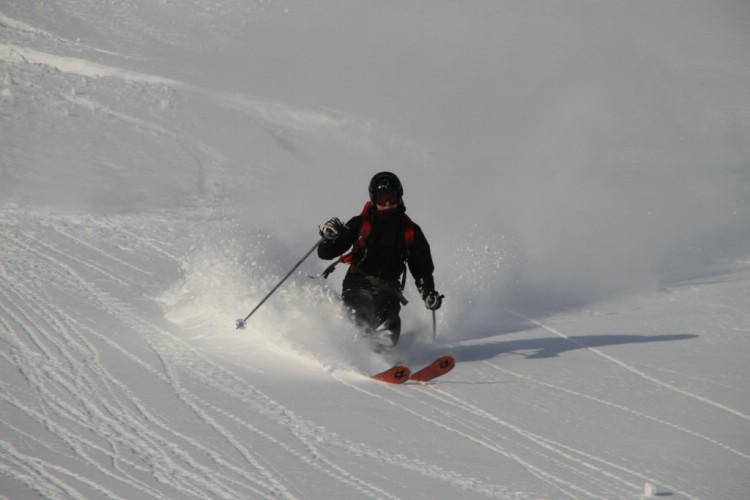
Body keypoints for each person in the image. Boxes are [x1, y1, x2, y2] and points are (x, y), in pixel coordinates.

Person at [317, 172, 442, 350]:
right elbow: (325, 253)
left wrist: (428, 293)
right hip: (358, 283)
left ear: (399, 197)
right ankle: (352, 350)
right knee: (362, 310)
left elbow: (421, 267)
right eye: (382, 198)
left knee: (390, 319)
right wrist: (330, 238)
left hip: (388, 289)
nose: (387, 203)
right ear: (374, 199)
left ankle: (381, 357)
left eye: (391, 197)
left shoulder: (410, 231)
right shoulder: (360, 223)